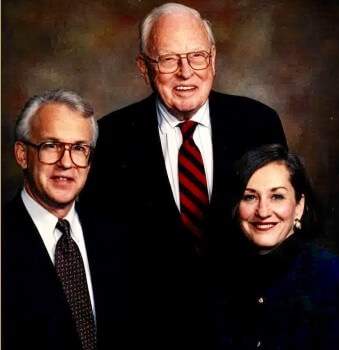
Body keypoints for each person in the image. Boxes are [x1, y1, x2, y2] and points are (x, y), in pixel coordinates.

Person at [83, 2, 287, 257]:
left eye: (197, 56)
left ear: (212, 59)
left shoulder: (259, 124)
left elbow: (285, 230)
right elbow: (101, 245)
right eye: (168, 60)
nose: (186, 72)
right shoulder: (110, 137)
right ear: (144, 68)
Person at [213, 144, 339, 350]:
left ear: (299, 206)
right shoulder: (216, 282)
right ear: (237, 207)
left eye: (277, 196)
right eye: (250, 197)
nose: (263, 211)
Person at [2, 89, 129, 350]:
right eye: (51, 146)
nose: (66, 163)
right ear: (22, 155)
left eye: (79, 148)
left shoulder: (118, 237)